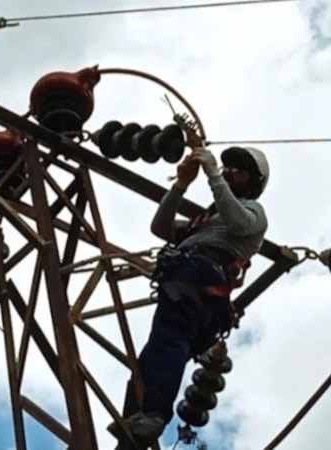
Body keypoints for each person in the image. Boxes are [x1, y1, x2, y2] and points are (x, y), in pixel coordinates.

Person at [108, 145, 271, 445]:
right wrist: (181, 183)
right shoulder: (205, 222)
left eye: (238, 170)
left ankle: (154, 415)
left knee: (169, 338)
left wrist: (211, 174)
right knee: (155, 353)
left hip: (203, 277)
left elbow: (238, 222)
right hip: (187, 276)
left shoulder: (253, 213)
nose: (228, 172)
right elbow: (161, 227)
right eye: (226, 167)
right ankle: (136, 423)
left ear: (253, 182)